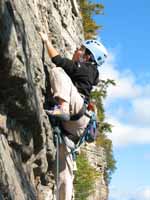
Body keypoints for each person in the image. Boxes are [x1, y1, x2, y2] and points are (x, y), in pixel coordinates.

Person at [39, 32, 108, 200]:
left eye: (80, 49)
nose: (76, 50)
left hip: (76, 113)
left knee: (58, 71)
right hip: (74, 128)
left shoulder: (87, 69)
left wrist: (47, 41)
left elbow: (59, 61)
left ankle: (61, 107)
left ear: (87, 55)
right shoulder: (88, 72)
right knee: (65, 171)